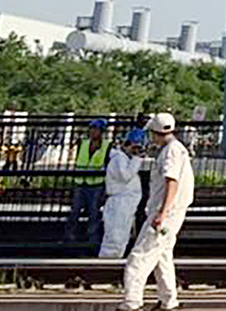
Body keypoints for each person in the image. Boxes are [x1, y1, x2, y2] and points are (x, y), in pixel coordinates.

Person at [120, 113, 194, 311]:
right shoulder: (176, 149)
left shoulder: (171, 152)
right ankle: (169, 301)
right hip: (171, 212)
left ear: (155, 132)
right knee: (162, 255)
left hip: (166, 213)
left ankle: (132, 303)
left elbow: (172, 182)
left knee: (139, 257)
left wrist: (162, 213)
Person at [99, 128, 147, 259]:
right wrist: (137, 159)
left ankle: (112, 259)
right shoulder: (119, 158)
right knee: (116, 234)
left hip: (125, 202)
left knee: (121, 234)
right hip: (120, 202)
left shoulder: (124, 159)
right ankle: (108, 261)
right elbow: (126, 176)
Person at [66, 119, 110, 245]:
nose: (93, 132)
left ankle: (92, 239)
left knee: (94, 213)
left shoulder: (107, 146)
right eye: (91, 129)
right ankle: (69, 236)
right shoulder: (83, 144)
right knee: (75, 211)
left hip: (96, 184)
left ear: (101, 132)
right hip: (81, 182)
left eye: (96, 129)